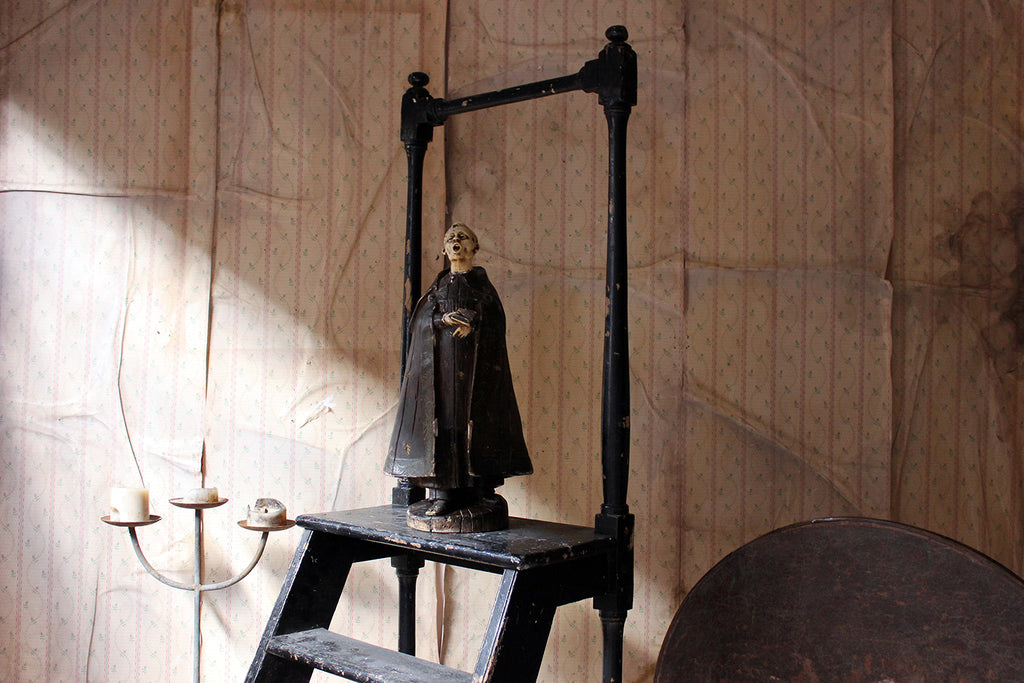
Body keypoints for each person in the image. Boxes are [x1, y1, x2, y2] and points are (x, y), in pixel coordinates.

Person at [385, 223, 532, 531]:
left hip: (476, 374)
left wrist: (474, 323)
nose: (456, 241)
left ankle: (481, 491)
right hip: (441, 374)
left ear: (474, 247)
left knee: (477, 427)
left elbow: (495, 319)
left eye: (462, 237)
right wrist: (442, 320)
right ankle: (443, 493)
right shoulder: (438, 287)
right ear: (444, 249)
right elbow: (419, 323)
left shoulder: (482, 287)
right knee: (444, 428)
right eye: (451, 238)